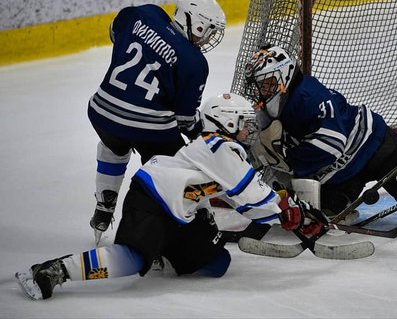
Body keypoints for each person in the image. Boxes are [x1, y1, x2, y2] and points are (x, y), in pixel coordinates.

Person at [15, 93, 323, 300]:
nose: (249, 132)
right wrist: (289, 214)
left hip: (181, 212)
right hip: (151, 199)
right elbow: (251, 196)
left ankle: (161, 250)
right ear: (228, 123)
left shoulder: (217, 149)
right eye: (245, 125)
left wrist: (286, 209)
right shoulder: (218, 147)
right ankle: (56, 270)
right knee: (133, 259)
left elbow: (243, 197)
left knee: (216, 263)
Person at [87, 0, 226, 244]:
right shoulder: (194, 63)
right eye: (208, 30)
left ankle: (103, 208)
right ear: (195, 24)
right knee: (178, 169)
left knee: (113, 144)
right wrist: (205, 135)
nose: (208, 39)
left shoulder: (144, 14)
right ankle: (192, 224)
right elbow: (185, 120)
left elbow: (115, 33)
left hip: (101, 109)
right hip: (148, 128)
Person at [244, 45, 397, 219]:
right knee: (317, 214)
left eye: (268, 84)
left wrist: (291, 161)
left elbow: (332, 143)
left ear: (285, 75)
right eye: (260, 86)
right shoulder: (275, 104)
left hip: (375, 146)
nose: (262, 91)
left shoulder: (307, 97)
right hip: (341, 174)